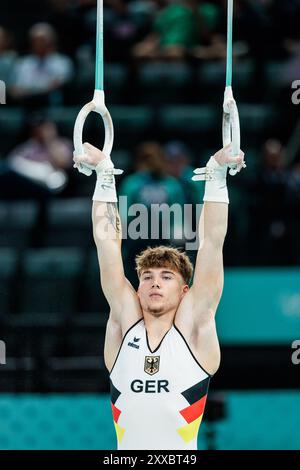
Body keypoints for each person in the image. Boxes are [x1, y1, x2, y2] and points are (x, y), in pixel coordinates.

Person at [73, 141, 245, 450]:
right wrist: (103, 177)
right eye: (148, 277)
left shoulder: (195, 329)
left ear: (184, 292)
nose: (154, 283)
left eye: (166, 277)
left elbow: (211, 243)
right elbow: (107, 245)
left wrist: (217, 177)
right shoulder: (124, 326)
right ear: (136, 289)